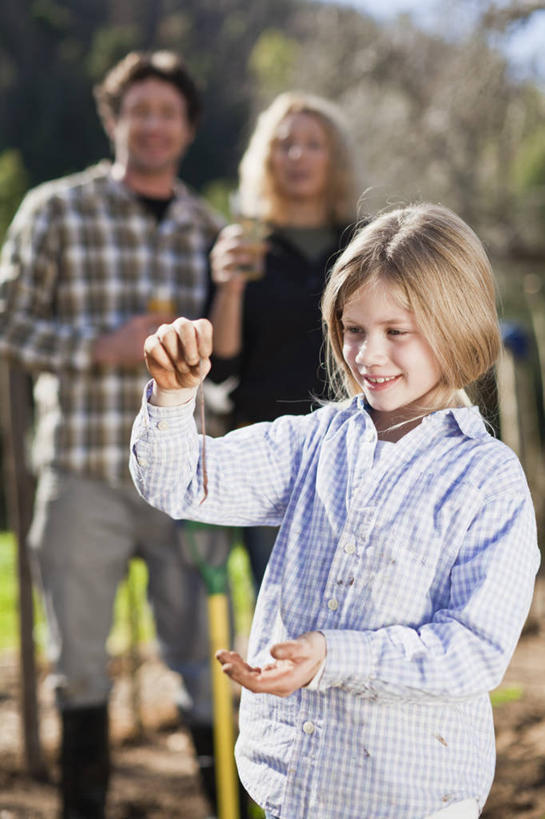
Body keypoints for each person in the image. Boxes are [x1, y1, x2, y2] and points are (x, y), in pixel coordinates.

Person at [130, 202, 540, 819]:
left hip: (410, 801)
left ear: (458, 327)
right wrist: (172, 396)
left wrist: (333, 656)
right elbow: (181, 484)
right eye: (353, 329)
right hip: (293, 790)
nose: (367, 355)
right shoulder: (313, 442)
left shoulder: (487, 480)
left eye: (396, 332)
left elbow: (471, 651)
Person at [0, 50, 227, 818]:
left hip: (184, 480)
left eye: (168, 111)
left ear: (188, 128)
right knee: (80, 669)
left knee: (205, 660)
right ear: (114, 118)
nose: (153, 124)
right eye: (139, 109)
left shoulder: (208, 228)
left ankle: (226, 804)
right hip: (83, 469)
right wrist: (97, 345)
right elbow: (8, 322)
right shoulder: (54, 209)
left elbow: (232, 345)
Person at [208, 91, 360, 588]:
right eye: (284, 144)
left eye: (312, 144)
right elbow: (223, 367)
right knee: (278, 611)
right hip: (267, 454)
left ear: (333, 157)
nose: (297, 156)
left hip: (352, 450)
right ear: (266, 158)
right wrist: (228, 288)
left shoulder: (364, 243)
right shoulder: (245, 244)